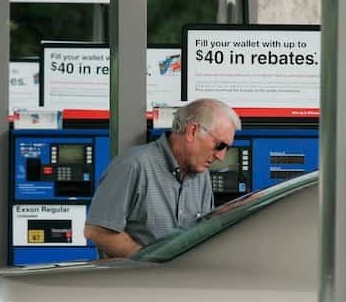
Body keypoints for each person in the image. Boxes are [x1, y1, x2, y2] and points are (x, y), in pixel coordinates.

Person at [84, 98, 240, 258]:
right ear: (192, 131)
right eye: (220, 145)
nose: (221, 157)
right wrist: (149, 262)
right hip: (135, 281)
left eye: (227, 149)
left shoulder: (202, 176)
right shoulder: (133, 166)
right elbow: (97, 231)